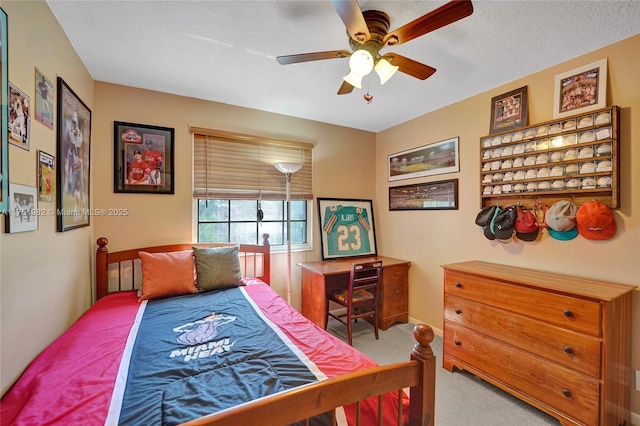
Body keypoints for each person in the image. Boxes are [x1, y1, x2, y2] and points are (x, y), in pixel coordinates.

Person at [66, 110, 84, 210]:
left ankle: (79, 206)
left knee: (78, 187)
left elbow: (79, 148)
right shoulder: (71, 134)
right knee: (72, 188)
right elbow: (71, 149)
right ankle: (75, 207)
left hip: (77, 163)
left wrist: (78, 162)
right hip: (73, 162)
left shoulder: (79, 135)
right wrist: (69, 169)